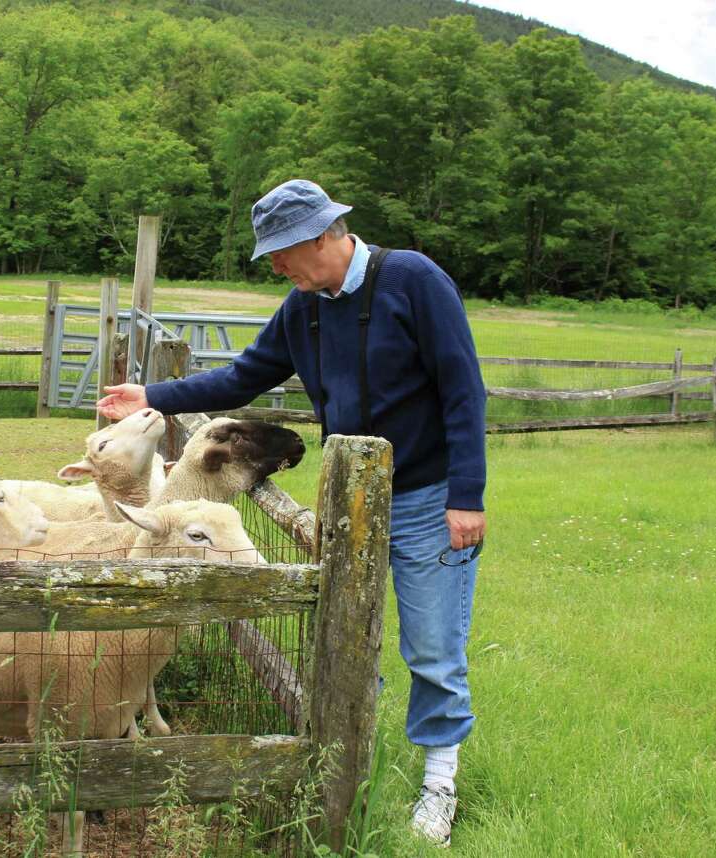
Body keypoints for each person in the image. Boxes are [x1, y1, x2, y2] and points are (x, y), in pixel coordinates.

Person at [97, 179, 487, 847]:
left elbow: (463, 389)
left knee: (431, 646)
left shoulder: (414, 281)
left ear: (322, 236)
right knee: (345, 634)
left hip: (427, 498)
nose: (276, 266)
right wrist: (153, 394)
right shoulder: (304, 308)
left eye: (281, 252)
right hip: (348, 504)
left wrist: (466, 497)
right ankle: (349, 762)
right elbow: (245, 376)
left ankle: (438, 783)